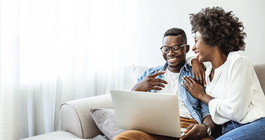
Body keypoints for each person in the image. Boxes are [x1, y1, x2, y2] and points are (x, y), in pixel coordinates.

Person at [114, 28, 218, 140]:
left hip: (186, 126)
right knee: (122, 138)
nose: (170, 53)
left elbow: (209, 110)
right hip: (152, 127)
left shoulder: (197, 73)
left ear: (186, 48)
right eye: (165, 48)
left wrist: (205, 127)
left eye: (176, 48)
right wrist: (137, 88)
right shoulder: (149, 74)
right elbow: (128, 110)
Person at [182, 7, 265, 140]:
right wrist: (193, 60)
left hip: (256, 124)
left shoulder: (238, 60)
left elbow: (236, 112)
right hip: (227, 130)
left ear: (211, 37)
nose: (193, 47)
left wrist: (202, 95)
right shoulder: (208, 73)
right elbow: (182, 57)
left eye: (196, 39)